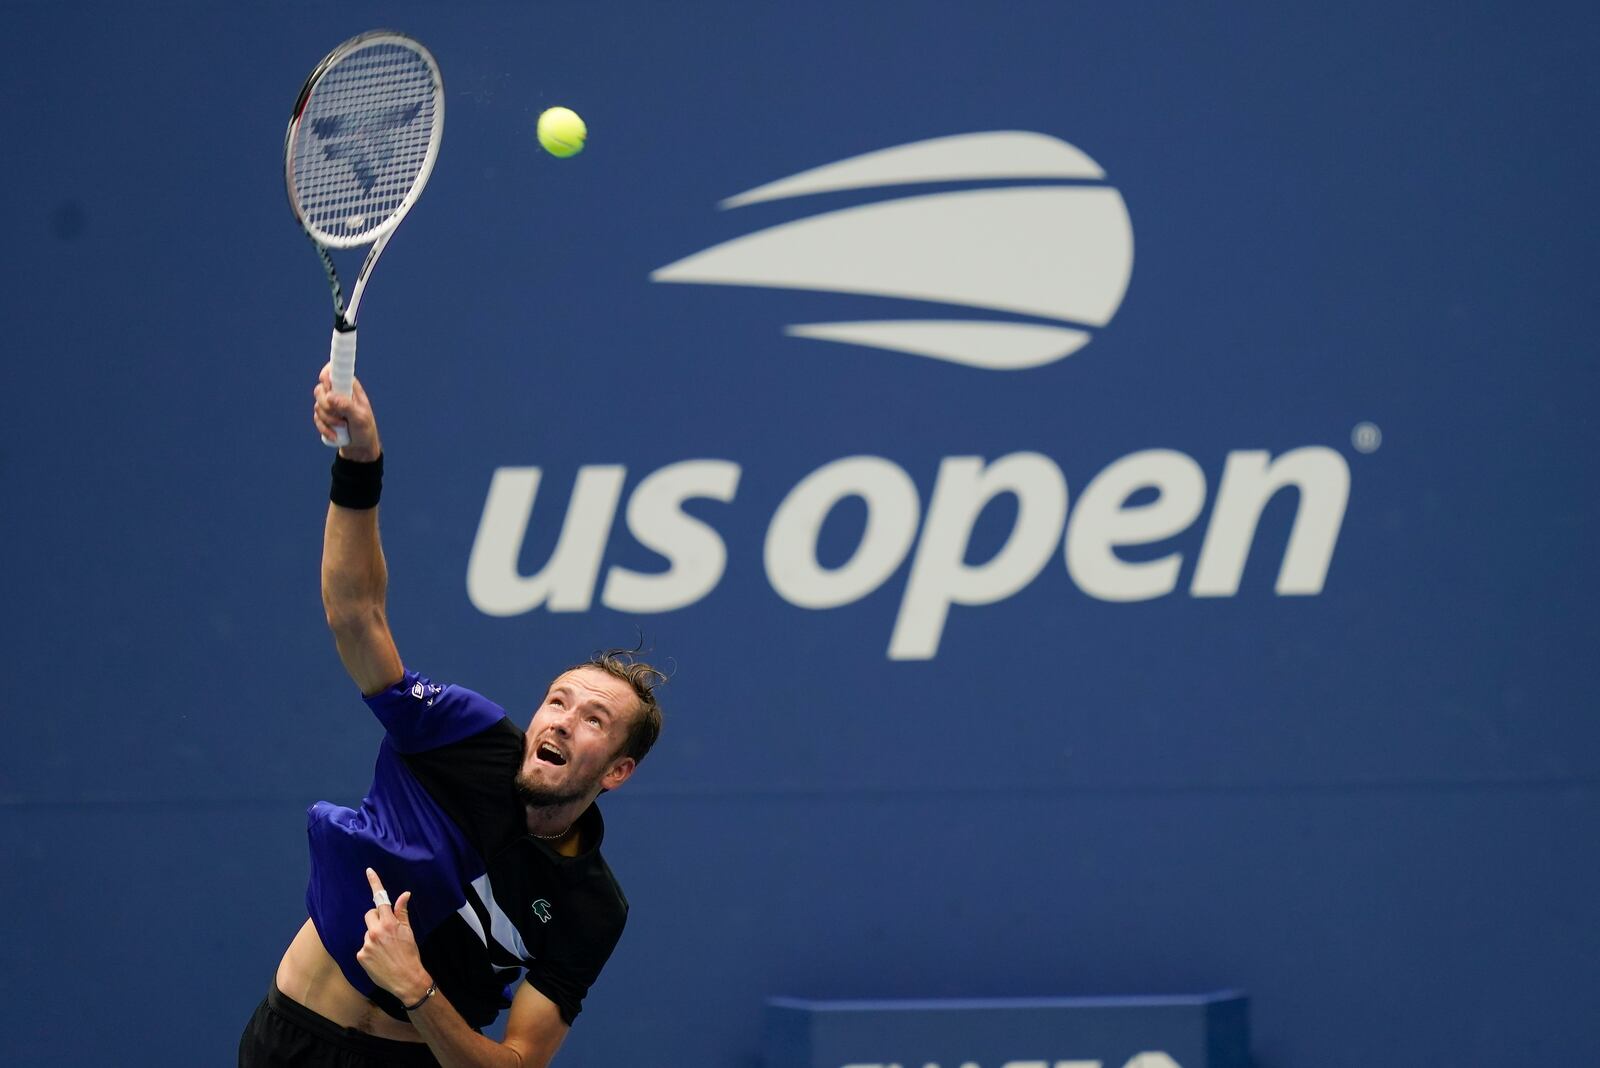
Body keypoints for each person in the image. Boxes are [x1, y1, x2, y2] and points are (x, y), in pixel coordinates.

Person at [238, 367, 664, 1067]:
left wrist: (417, 990)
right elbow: (356, 614)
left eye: (593, 719)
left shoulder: (592, 908)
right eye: (557, 700)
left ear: (618, 770)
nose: (559, 720)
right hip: (290, 1036)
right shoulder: (464, 736)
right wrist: (359, 463)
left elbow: (519, 1062)